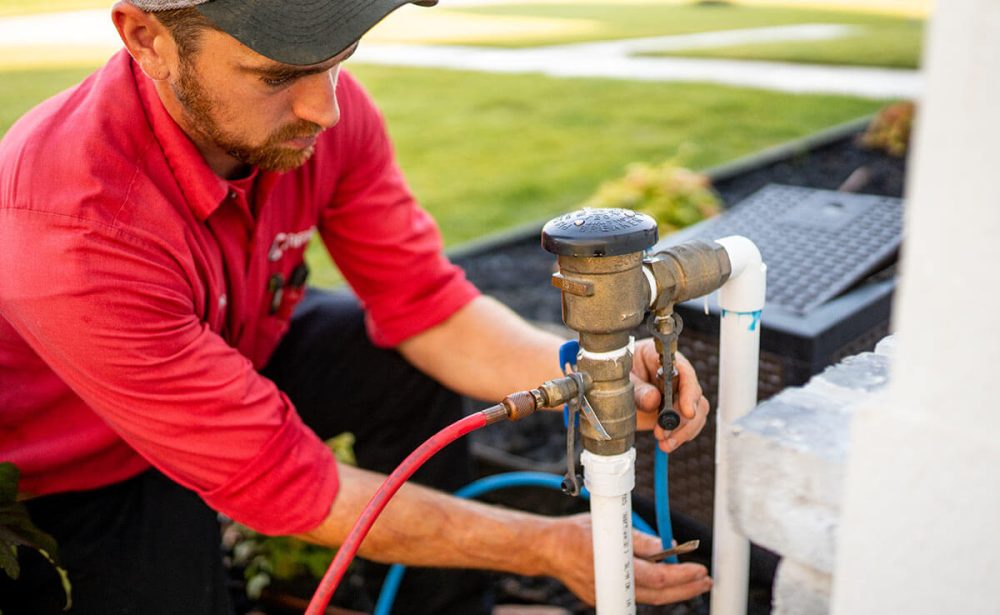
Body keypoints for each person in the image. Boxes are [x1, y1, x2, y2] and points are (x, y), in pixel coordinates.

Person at [0, 1, 714, 613]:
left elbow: (426, 303)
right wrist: (547, 545)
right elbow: (284, 482)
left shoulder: (317, 121)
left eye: (337, 59)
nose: (326, 108)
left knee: (394, 363)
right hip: (76, 465)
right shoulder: (69, 224)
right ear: (147, 39)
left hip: (226, 340)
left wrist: (589, 370)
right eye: (276, 73)